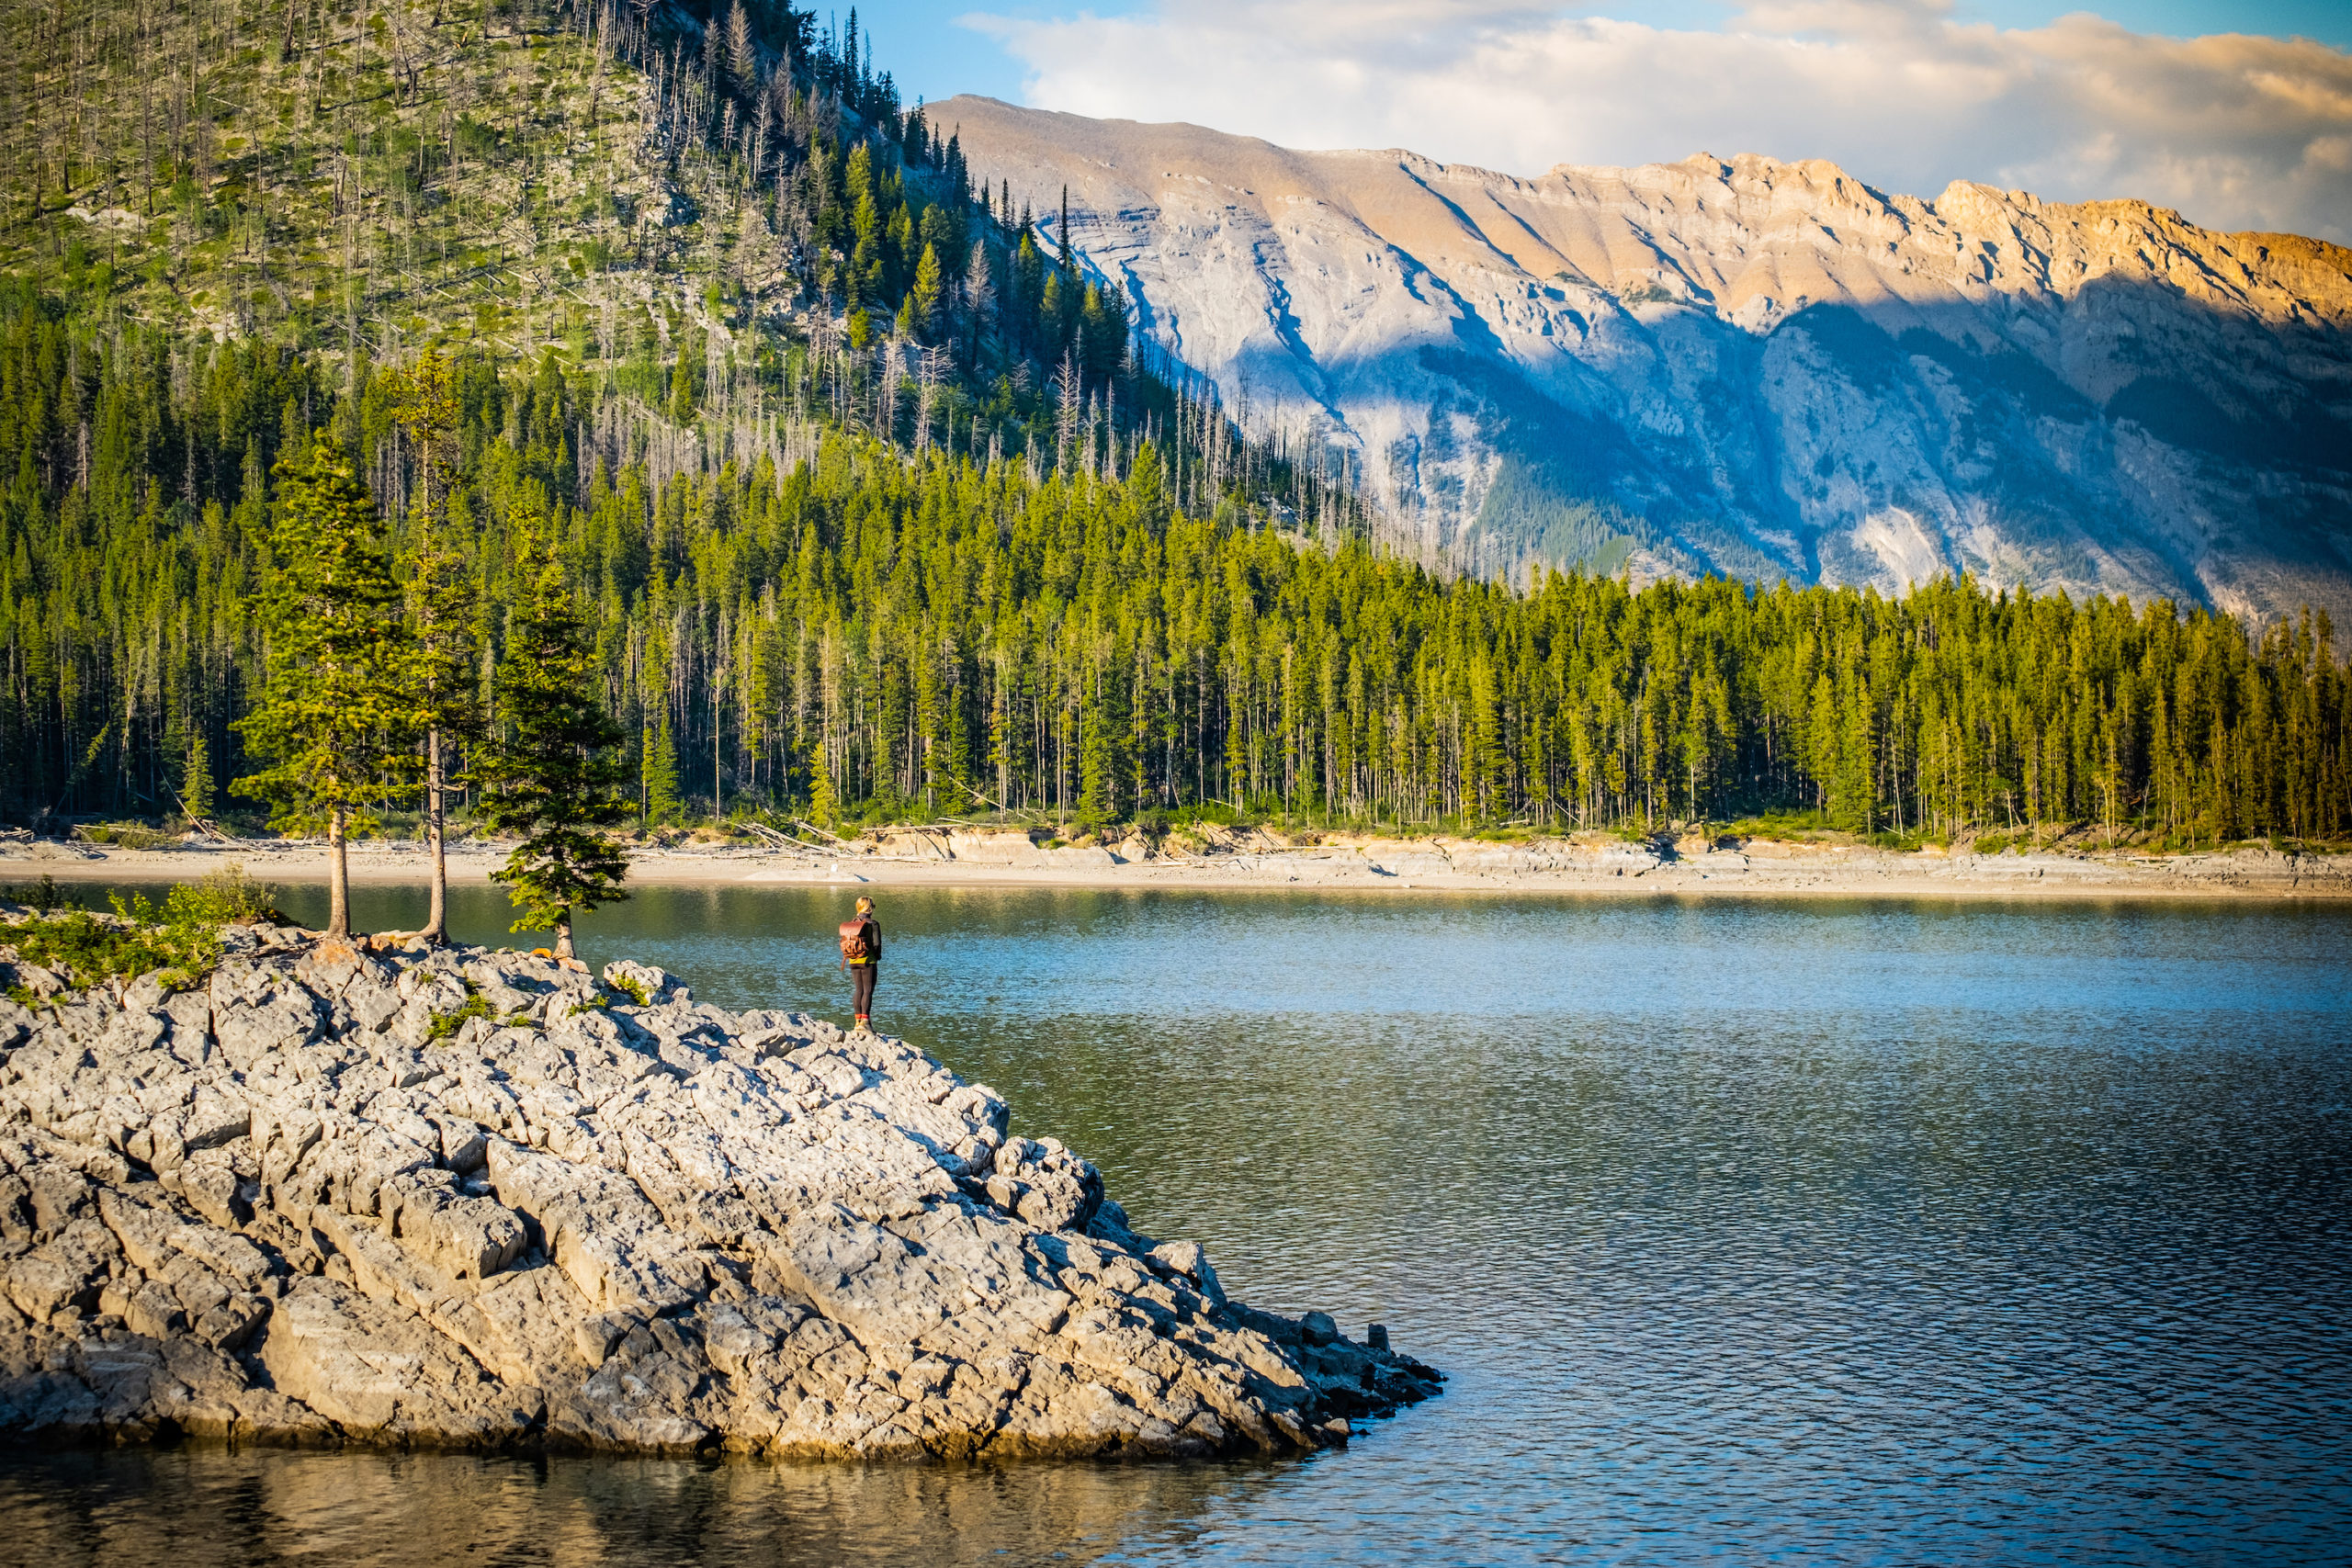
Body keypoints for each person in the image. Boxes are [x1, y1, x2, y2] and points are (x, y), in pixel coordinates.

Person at [838, 895, 882, 1032]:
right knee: (868, 991)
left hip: (853, 960)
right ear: (869, 908)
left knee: (859, 990)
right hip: (868, 961)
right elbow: (877, 944)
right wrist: (877, 956)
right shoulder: (873, 924)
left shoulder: (853, 923)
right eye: (872, 906)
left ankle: (857, 1022)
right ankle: (866, 1022)